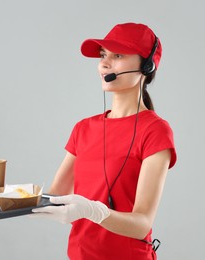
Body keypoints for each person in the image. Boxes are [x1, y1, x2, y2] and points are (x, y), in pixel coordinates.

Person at [31, 22, 177, 260]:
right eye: (103, 56)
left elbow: (142, 223)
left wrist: (93, 212)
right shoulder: (84, 128)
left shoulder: (155, 131)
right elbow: (55, 197)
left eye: (117, 55)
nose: (104, 64)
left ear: (146, 66)